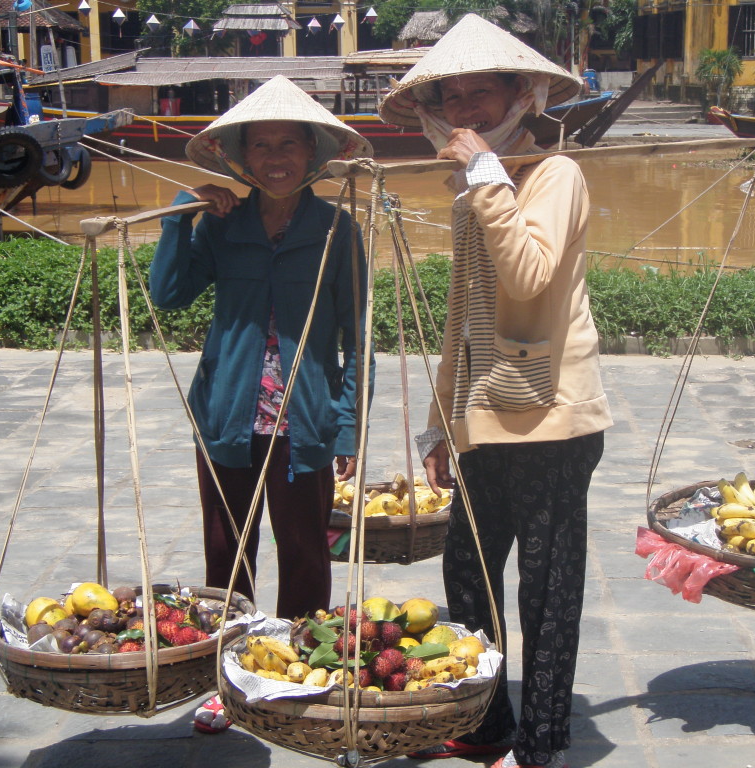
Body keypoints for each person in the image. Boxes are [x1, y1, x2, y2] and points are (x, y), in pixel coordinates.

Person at [379, 16, 613, 768]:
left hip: (552, 421)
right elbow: (465, 321)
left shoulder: (555, 176)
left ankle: (541, 745)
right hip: (485, 419)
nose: (466, 111)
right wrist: (440, 423)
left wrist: (485, 175)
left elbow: (529, 274)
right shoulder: (473, 190)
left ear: (525, 94)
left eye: (483, 93)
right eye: (452, 99)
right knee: (467, 578)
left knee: (546, 594)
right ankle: (486, 721)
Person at [149, 76, 374, 733]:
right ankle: (229, 677)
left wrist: (349, 426)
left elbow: (357, 335)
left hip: (303, 420)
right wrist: (180, 211)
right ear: (241, 159)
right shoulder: (223, 224)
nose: (276, 157)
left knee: (305, 550)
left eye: (289, 144)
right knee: (228, 554)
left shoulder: (336, 230)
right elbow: (167, 295)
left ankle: (295, 670)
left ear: (311, 155)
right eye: (262, 146)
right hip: (226, 414)